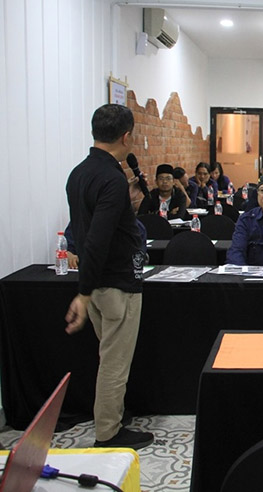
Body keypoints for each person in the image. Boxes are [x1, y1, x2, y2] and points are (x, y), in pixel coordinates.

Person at [64, 104, 154, 450]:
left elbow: (86, 231)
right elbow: (98, 238)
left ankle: (112, 415)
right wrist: (83, 293)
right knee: (115, 363)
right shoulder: (111, 178)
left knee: (108, 356)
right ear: (126, 136)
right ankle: (108, 433)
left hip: (98, 283)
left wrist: (86, 288)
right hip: (116, 283)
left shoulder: (79, 173)